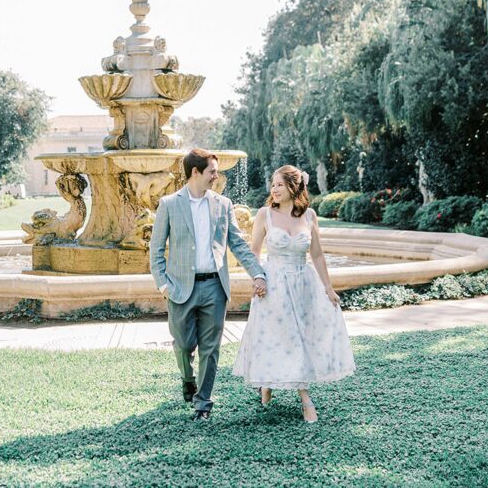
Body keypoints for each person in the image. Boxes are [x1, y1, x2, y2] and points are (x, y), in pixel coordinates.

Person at [149, 148, 267, 421]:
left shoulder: (223, 205)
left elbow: (237, 243)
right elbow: (155, 250)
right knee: (182, 345)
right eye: (212, 171)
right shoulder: (169, 204)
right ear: (195, 172)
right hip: (179, 288)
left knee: (211, 348)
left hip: (215, 286)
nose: (216, 176)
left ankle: (203, 403)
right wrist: (163, 285)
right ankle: (187, 379)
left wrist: (258, 273)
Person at [233, 165, 355, 423]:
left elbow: (318, 254)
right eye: (273, 185)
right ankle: (303, 397)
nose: (274, 189)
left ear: (294, 187)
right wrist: (257, 278)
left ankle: (269, 386)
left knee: (300, 338)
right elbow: (254, 252)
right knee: (281, 337)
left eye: (279, 184)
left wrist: (328, 288)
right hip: (274, 284)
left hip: (303, 284)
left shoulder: (309, 215)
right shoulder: (264, 215)